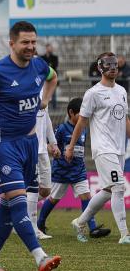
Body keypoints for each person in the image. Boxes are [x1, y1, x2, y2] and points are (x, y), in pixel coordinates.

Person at [0, 21, 61, 271]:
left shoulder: (40, 65)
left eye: (34, 42)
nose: (31, 47)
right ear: (12, 43)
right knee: (20, 202)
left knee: (9, 205)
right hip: (4, 145)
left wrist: (45, 100)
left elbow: (53, 77)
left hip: (30, 144)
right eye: (25, 42)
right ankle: (40, 257)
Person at [67, 52, 129, 244]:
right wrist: (70, 146)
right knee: (119, 187)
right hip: (103, 148)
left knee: (108, 190)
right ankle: (125, 234)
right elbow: (81, 122)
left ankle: (80, 221)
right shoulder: (93, 93)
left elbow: (125, 119)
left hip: (119, 148)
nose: (113, 68)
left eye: (115, 65)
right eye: (108, 65)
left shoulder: (122, 91)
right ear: (100, 68)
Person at [37, 98, 109, 238]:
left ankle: (92, 228)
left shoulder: (83, 129)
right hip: (62, 172)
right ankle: (40, 224)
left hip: (78, 171)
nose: (83, 117)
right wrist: (54, 150)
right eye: (80, 114)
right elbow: (49, 144)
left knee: (86, 196)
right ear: (71, 113)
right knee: (54, 199)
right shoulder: (62, 129)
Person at [32, 89, 60, 240]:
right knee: (32, 189)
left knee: (45, 190)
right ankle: (32, 228)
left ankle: (16, 211)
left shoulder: (44, 90)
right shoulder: (25, 87)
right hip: (29, 148)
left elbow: (46, 118)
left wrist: (53, 142)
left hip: (42, 149)